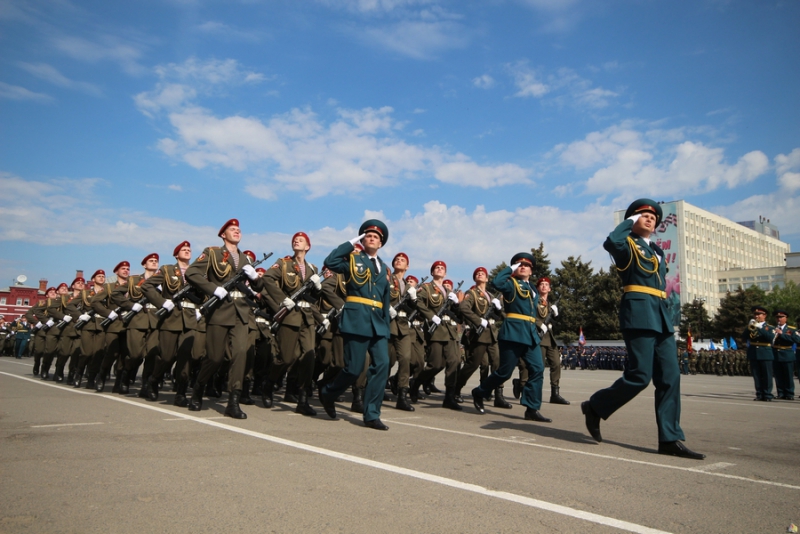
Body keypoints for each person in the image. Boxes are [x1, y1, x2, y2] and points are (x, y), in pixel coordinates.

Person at [581, 199, 704, 460]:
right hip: (638, 313)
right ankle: (595, 406)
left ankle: (670, 438)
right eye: (643, 215)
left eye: (653, 217)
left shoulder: (656, 251)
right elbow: (611, 243)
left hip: (661, 315)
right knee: (640, 375)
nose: (649, 218)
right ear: (633, 219)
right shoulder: (627, 245)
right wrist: (628, 221)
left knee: (670, 376)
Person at [185, 218, 265, 419]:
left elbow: (259, 287)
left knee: (240, 354)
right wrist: (213, 289)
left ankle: (233, 401)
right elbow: (192, 273)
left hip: (241, 312)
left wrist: (255, 277)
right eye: (233, 229)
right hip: (220, 310)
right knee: (215, 358)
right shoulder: (212, 253)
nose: (237, 231)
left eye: (239, 229)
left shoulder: (245, 259)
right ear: (223, 235)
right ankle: (199, 387)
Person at [318, 220, 392, 430]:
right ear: (362, 240)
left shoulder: (384, 268)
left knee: (382, 365)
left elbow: (385, 299)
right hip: (357, 319)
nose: (372, 238)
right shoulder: (353, 259)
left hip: (378, 323)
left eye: (376, 237)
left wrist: (386, 326)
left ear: (381, 243)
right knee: (353, 369)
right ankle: (328, 393)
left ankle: (371, 414)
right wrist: (350, 243)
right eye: (368, 235)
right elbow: (330, 262)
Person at [472, 252, 551, 423]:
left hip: (530, 335)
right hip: (513, 334)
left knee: (538, 369)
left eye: (526, 265)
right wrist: (510, 269)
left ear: (531, 270)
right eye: (519, 264)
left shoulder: (533, 289)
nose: (523, 267)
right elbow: (496, 282)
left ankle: (532, 408)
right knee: (504, 372)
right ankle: (479, 392)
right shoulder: (511, 284)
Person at [260, 232, 322, 416]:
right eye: (295, 239)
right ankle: (269, 383)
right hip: (290, 315)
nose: (297, 241)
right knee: (286, 358)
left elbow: (314, 297)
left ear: (308, 247)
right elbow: (267, 278)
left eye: (301, 240)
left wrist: (318, 288)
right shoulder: (283, 263)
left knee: (309, 357)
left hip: (307, 317)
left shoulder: (313, 268)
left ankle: (302, 399)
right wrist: (281, 299)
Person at [141, 241, 200, 405]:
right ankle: (154, 379)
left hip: (189, 319)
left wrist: (201, 309)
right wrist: (161, 302)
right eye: (184, 249)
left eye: (189, 249)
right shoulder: (167, 270)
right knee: (166, 357)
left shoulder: (196, 272)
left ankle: (181, 393)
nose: (187, 251)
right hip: (171, 318)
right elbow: (147, 286)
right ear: (176, 255)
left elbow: (203, 292)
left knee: (186, 356)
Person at [535, 276, 569, 405]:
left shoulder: (551, 305)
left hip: (550, 339)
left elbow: (557, 324)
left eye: (546, 284)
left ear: (549, 289)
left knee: (556, 364)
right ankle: (532, 391)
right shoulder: (534, 301)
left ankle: (555, 394)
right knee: (539, 367)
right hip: (539, 338)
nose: (544, 286)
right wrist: (540, 324)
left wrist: (556, 315)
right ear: (538, 288)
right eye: (541, 284)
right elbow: (531, 316)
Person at [744, 306, 776, 401]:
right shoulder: (752, 326)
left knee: (767, 375)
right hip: (754, 353)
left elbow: (770, 338)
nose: (756, 316)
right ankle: (759, 394)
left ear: (764, 316)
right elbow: (744, 337)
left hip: (765, 353)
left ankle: (767, 394)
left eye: (759, 314)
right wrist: (748, 328)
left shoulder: (770, 327)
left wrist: (760, 328)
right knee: (757, 375)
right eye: (755, 314)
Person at [771, 310, 796, 400]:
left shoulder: (791, 329)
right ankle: (780, 393)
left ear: (786, 318)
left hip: (787, 354)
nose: (779, 319)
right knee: (778, 375)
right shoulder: (772, 328)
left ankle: (789, 393)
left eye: (781, 317)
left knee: (788, 375)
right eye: (777, 317)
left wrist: (782, 334)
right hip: (776, 354)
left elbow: (794, 340)